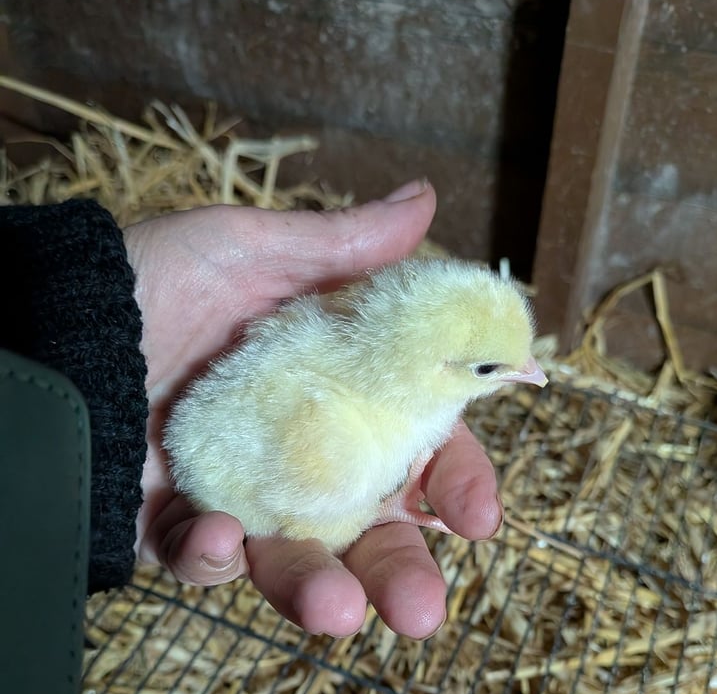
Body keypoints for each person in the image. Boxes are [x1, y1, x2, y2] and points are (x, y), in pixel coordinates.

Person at [1, 178, 503, 639]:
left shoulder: (328, 327)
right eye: (489, 368)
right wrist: (377, 508)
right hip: (223, 467)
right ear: (437, 369)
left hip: (175, 431)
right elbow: (309, 521)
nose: (530, 373)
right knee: (334, 485)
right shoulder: (348, 442)